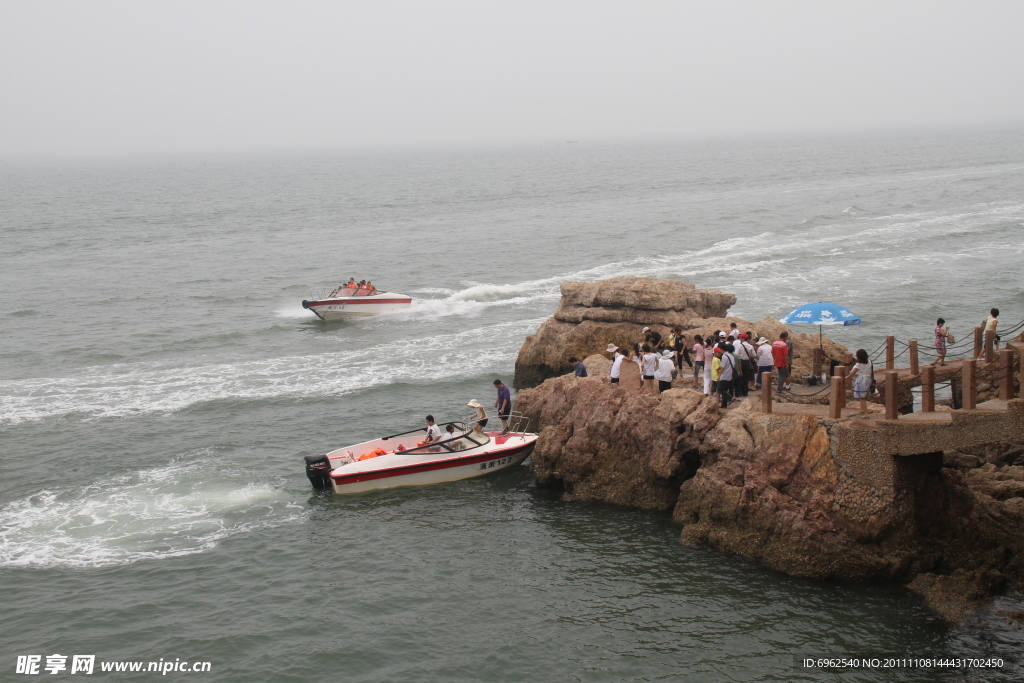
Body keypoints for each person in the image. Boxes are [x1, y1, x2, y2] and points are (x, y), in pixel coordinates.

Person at [846, 349, 874, 417]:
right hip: (868, 379)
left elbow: (852, 373)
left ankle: (866, 414)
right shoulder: (870, 362)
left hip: (861, 380)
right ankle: (862, 410)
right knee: (863, 397)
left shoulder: (858, 364)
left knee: (862, 398)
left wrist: (846, 377)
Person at [717, 344, 736, 408]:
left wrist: (719, 375)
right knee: (724, 389)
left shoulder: (724, 356)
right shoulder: (731, 356)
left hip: (725, 375)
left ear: (721, 349)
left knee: (719, 389)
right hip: (730, 374)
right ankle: (723, 405)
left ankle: (731, 398)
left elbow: (723, 367)